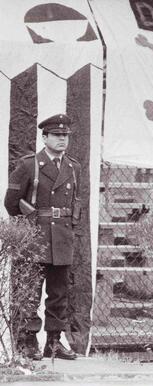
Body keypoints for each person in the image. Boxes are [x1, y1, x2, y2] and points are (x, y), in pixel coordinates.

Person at [4, 114, 81, 360]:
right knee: (30, 290)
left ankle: (54, 343)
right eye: (56, 136)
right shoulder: (29, 165)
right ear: (44, 137)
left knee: (59, 293)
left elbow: (75, 202)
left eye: (65, 136)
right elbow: (11, 203)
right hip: (36, 236)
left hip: (62, 237)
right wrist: (29, 225)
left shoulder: (73, 167)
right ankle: (28, 341)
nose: (61, 140)